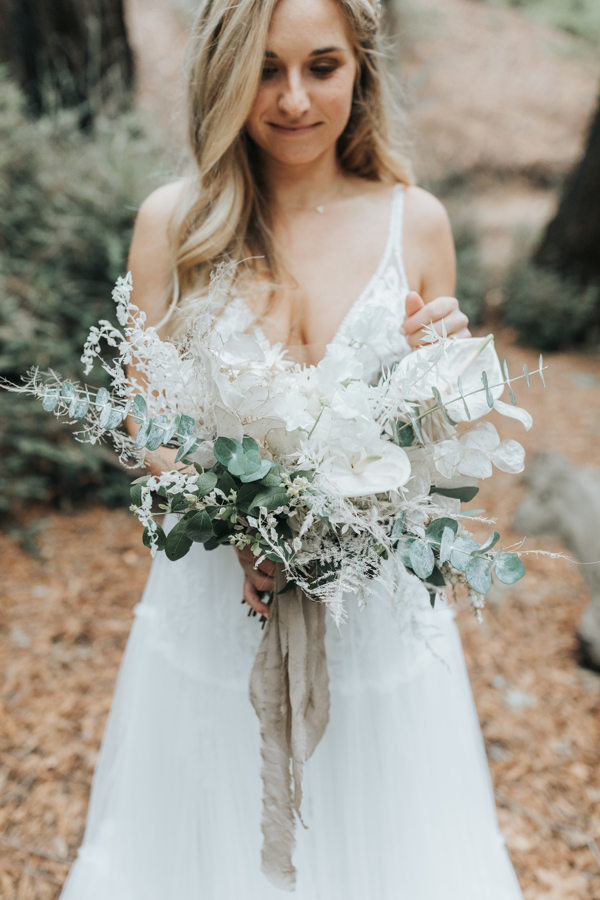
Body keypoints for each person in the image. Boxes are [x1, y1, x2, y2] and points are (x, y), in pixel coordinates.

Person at [60, 0, 524, 897]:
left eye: (322, 66)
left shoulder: (415, 222)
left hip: (374, 612)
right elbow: (147, 425)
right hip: (219, 605)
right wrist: (232, 521)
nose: (294, 98)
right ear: (225, 75)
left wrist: (446, 369)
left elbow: (436, 433)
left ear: (361, 70)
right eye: (265, 69)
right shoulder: (175, 222)